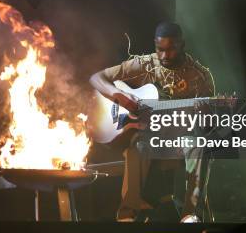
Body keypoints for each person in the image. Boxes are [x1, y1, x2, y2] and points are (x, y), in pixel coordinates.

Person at [89, 22, 215, 222]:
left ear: (182, 45)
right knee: (136, 149)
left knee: (199, 146)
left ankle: (191, 215)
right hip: (148, 135)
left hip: (179, 139)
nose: (165, 56)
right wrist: (119, 95)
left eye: (171, 49)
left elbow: (208, 126)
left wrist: (205, 114)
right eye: (160, 50)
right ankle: (128, 215)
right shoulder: (145, 64)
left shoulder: (199, 76)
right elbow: (97, 78)